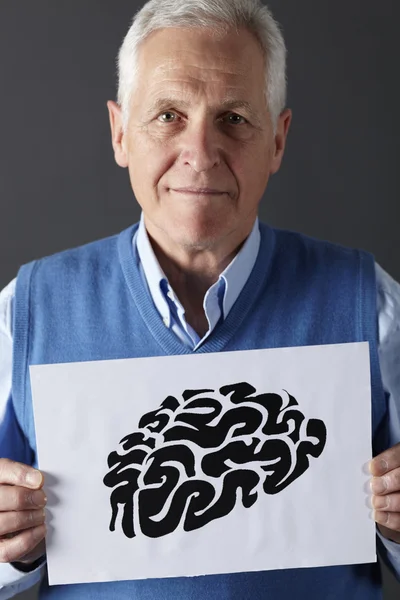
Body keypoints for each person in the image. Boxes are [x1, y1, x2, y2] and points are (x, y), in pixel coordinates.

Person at [0, 0, 399, 598]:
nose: (201, 150)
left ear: (278, 142)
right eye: (167, 114)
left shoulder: (373, 307)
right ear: (120, 132)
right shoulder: (24, 314)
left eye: (235, 118)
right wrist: (11, 549)